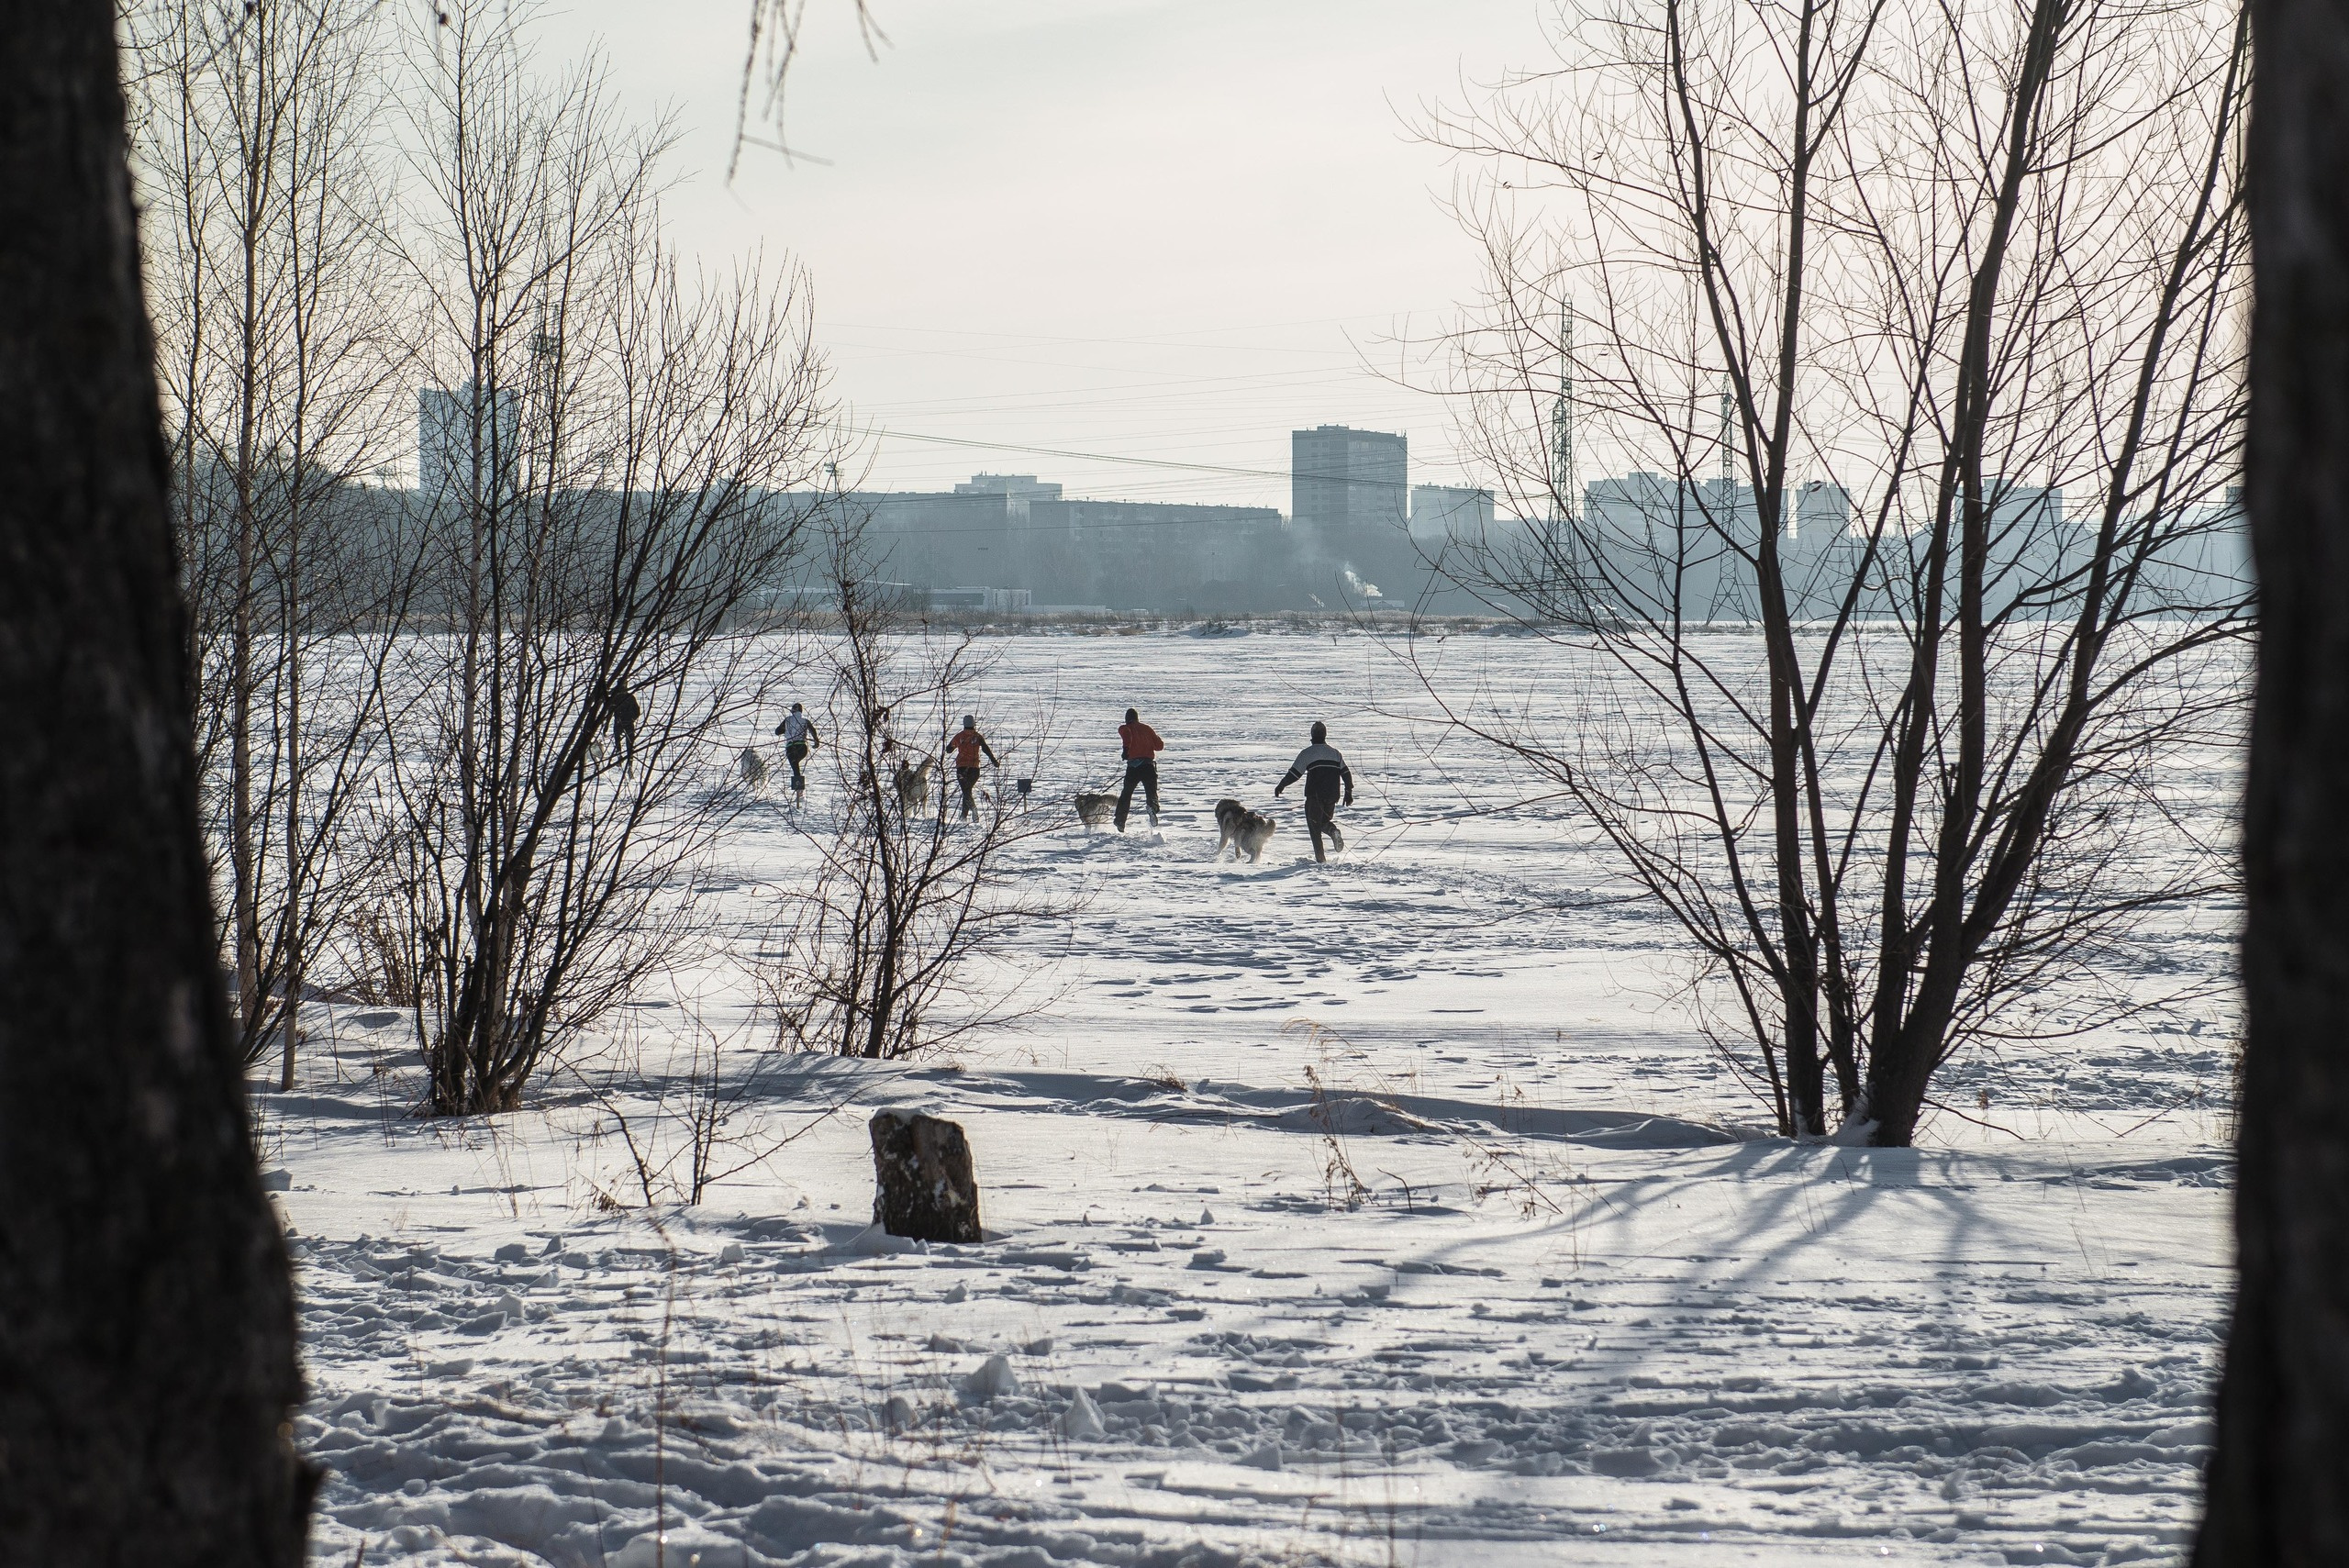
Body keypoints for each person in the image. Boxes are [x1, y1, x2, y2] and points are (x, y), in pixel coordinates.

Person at [1275, 719, 1354, 862]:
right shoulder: (1335, 753)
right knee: (1324, 821)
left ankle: (1321, 859)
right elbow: (1346, 773)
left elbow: (1294, 773)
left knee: (1314, 827)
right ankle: (1333, 831)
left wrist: (1281, 785)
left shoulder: (1307, 753)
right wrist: (1348, 792)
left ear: (1312, 735)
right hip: (1332, 796)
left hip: (1314, 797)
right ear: (1325, 735)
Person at [1114, 706, 1163, 831]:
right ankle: (1152, 806)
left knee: (1126, 794)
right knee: (1151, 793)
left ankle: (1120, 820)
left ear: (1127, 719)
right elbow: (1159, 746)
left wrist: (1126, 750)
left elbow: (1127, 736)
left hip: (1133, 768)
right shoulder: (1147, 728)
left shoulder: (1125, 728)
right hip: (1148, 766)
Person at [942, 714, 998, 818]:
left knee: (966, 791)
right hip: (975, 768)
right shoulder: (977, 736)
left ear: (964, 724)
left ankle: (973, 809)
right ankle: (964, 816)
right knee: (967, 791)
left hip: (962, 768)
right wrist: (994, 761)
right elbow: (986, 749)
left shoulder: (959, 736)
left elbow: (949, 750)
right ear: (973, 724)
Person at [774, 702, 820, 799]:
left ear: (792, 711)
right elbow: (813, 731)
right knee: (796, 766)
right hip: (802, 747)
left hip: (791, 747)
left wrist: (786, 730)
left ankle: (799, 790)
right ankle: (799, 791)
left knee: (795, 767)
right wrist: (816, 742)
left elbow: (777, 732)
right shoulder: (805, 721)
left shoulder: (787, 720)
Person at [607, 678, 640, 768]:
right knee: (626, 744)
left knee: (626, 744)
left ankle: (626, 763)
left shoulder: (620, 697)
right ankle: (623, 760)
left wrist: (631, 719)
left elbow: (637, 712)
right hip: (623, 723)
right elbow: (637, 712)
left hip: (623, 722)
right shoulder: (618, 697)